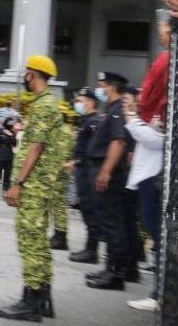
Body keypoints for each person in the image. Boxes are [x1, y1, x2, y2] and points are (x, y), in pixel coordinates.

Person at [0, 55, 62, 322]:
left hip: (33, 185)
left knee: (30, 242)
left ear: (32, 75)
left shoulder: (44, 106)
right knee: (39, 242)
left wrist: (18, 184)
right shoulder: (46, 104)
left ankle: (31, 301)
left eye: (26, 72)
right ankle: (43, 298)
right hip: (41, 184)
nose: (25, 77)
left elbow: (36, 147)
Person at [84, 72, 138, 291]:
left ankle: (115, 273)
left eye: (102, 86)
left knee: (113, 223)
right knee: (110, 221)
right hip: (105, 169)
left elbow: (118, 142)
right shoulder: (113, 110)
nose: (101, 90)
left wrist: (105, 171)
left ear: (112, 87)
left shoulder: (116, 112)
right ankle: (110, 268)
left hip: (110, 173)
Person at [124, 90, 165, 313]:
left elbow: (155, 140)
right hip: (146, 180)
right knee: (156, 236)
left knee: (159, 238)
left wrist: (133, 122)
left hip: (152, 179)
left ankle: (158, 294)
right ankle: (157, 292)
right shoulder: (152, 116)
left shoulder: (160, 114)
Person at [68, 87, 103, 264]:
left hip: (88, 172)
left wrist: (77, 162)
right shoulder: (86, 120)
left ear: (90, 102)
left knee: (90, 210)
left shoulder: (94, 121)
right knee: (86, 209)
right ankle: (89, 248)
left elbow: (92, 150)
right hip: (83, 171)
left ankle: (92, 250)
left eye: (80, 100)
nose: (77, 104)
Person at [48, 104, 77, 251]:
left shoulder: (63, 131)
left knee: (58, 205)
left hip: (59, 173)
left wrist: (54, 172)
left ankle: (61, 237)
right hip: (57, 172)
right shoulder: (60, 130)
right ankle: (58, 234)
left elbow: (63, 155)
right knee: (56, 205)